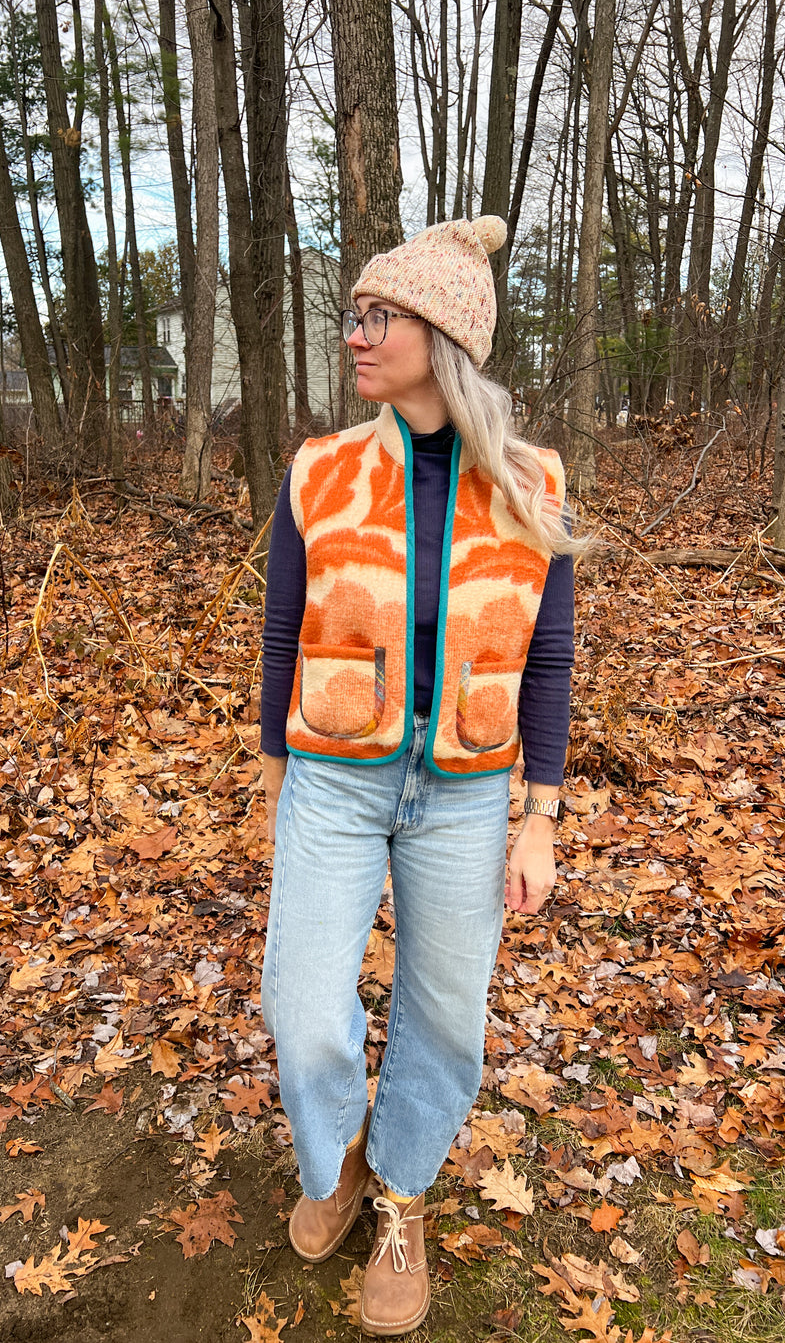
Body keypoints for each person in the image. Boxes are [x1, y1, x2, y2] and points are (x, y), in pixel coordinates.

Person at [259, 216, 577, 1337]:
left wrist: (538, 817)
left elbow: (547, 655)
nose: (353, 333)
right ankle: (339, 1146)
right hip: (333, 783)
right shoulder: (323, 469)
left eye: (375, 315)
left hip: (465, 794)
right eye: (354, 313)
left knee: (445, 1015)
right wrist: (275, 771)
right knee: (301, 1010)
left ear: (439, 333)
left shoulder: (529, 481)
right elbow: (281, 630)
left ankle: (401, 1190)